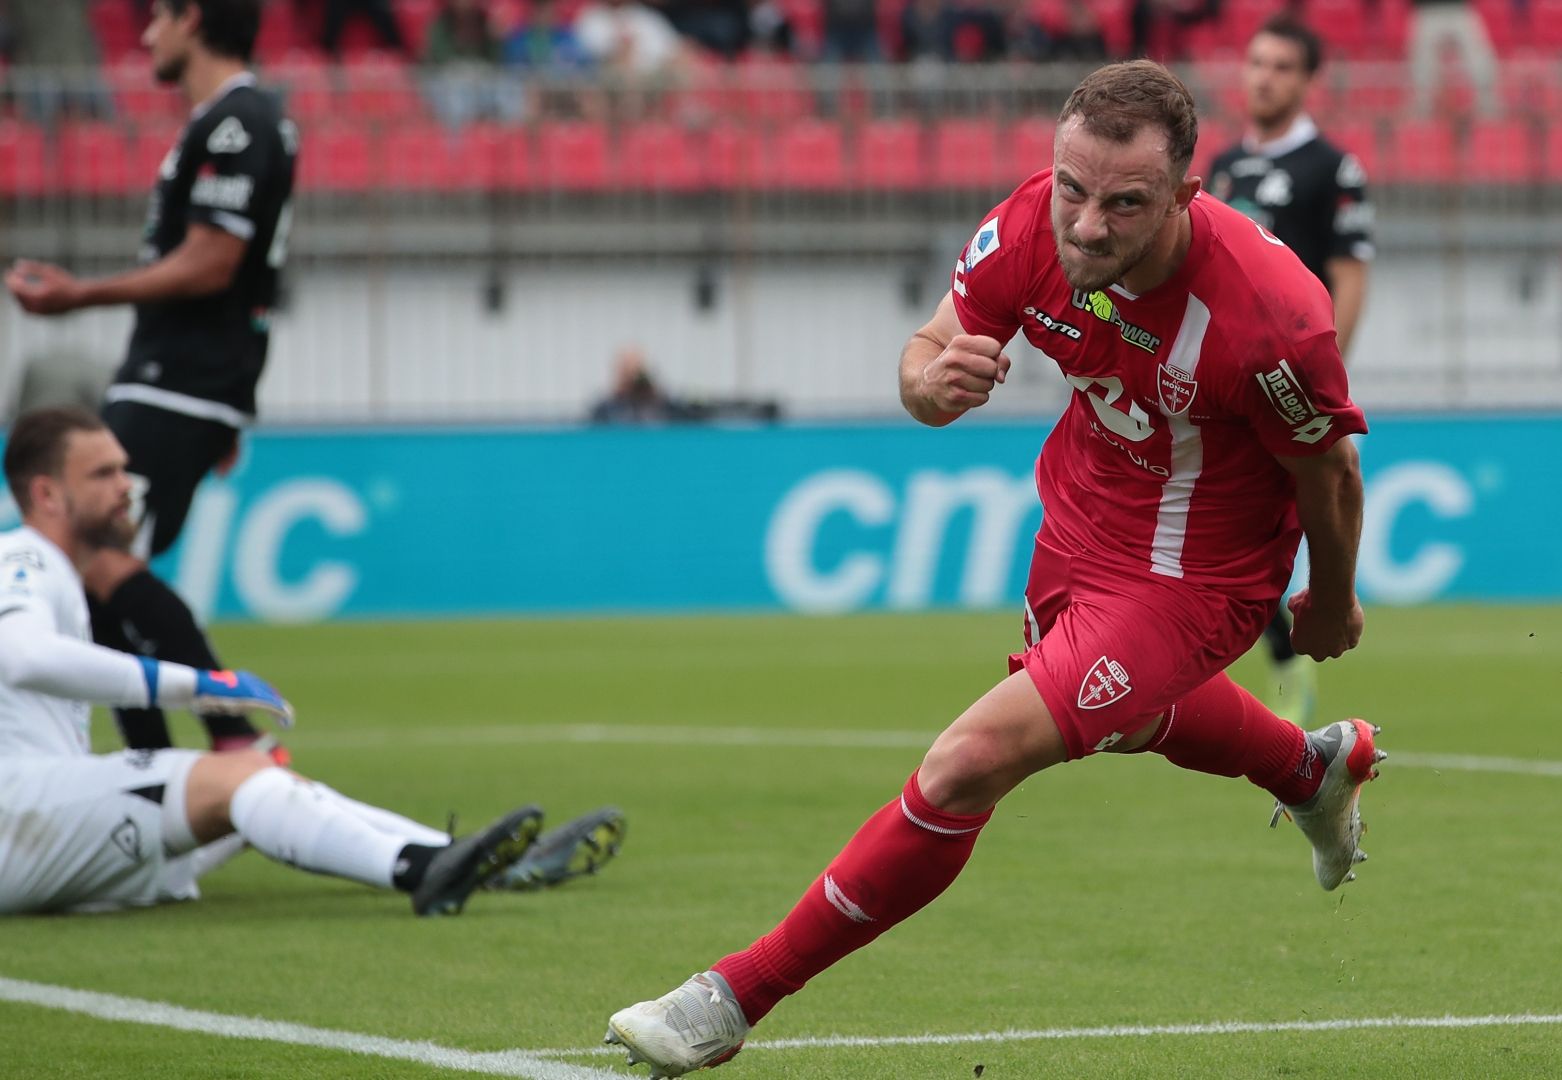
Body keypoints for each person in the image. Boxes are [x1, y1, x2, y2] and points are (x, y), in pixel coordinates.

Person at [604, 60, 1384, 1076]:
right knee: (1127, 717)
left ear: (1187, 197)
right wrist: (932, 386)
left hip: (1202, 576)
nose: (1089, 225)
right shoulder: (1030, 228)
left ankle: (731, 998)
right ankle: (1308, 767)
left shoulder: (1272, 317)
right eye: (1073, 189)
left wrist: (1330, 595)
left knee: (970, 760)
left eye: (1125, 203)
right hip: (1080, 524)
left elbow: (1332, 467)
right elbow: (926, 353)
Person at [0, 408, 628, 916]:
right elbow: (24, 655)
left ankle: (465, 857)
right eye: (103, 475)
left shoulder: (52, 570)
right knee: (238, 780)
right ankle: (420, 871)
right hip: (19, 817)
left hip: (38, 822)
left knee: (259, 785)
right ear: (47, 494)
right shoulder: (23, 559)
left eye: (123, 471)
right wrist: (203, 688)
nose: (126, 489)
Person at [6, 0, 294, 762]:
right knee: (91, 575)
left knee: (96, 559)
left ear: (193, 19)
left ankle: (237, 748)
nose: (144, 36)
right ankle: (152, 772)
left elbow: (216, 262)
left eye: (157, 18)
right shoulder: (231, 122)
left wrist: (78, 297)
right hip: (186, 381)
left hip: (177, 379)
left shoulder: (237, 124)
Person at [1206, 15, 1374, 728]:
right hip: (1217, 378)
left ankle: (1306, 641)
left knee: (1310, 511)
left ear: (1307, 82)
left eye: (1279, 66)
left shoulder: (1331, 168)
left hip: (1290, 378)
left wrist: (1326, 372)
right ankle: (1281, 655)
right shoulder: (1220, 168)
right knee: (1223, 531)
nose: (1263, 77)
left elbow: (1350, 274)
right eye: (1255, 63)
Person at [1406, 0, 1499, 117]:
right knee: (1421, 59)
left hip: (1460, 9)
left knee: (1478, 55)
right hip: (1426, 11)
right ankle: (1423, 103)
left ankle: (1487, 102)